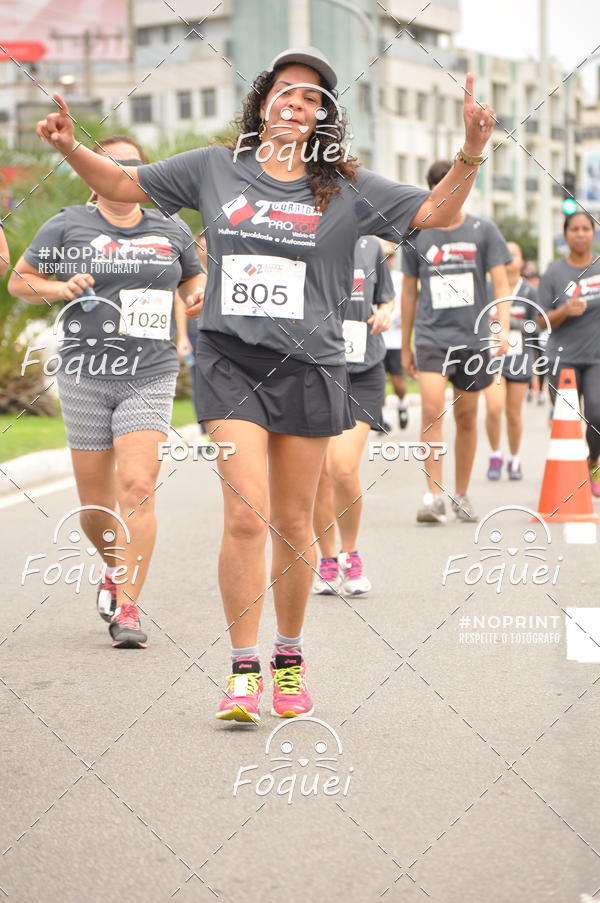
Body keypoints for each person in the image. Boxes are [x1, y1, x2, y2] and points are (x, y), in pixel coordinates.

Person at [36, 47, 496, 721]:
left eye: (312, 97)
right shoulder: (214, 167)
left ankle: (288, 655)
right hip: (229, 362)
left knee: (291, 520)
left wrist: (472, 150)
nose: (298, 103)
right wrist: (73, 145)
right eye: (287, 91)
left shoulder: (343, 186)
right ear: (263, 101)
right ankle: (242, 667)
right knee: (247, 514)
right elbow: (125, 183)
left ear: (322, 116)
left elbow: (438, 214)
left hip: (310, 367)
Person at [9, 135, 204, 648]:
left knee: (137, 487)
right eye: (112, 164)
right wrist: (58, 287)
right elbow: (20, 281)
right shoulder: (69, 225)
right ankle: (115, 567)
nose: (124, 173)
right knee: (95, 508)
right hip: (85, 375)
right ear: (92, 173)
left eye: (133, 166)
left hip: (151, 372)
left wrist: (197, 296)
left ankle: (129, 604)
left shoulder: (170, 227)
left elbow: (191, 283)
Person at [401, 159, 511, 524]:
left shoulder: (484, 231)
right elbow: (409, 292)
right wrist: (405, 344)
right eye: (440, 188)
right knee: (432, 409)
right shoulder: (417, 233)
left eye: (455, 186)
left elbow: (500, 283)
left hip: (473, 338)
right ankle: (432, 496)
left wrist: (504, 328)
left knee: (466, 417)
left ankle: (460, 493)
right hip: (433, 336)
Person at [313, 235, 395, 596]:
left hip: (363, 369)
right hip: (315, 368)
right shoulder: (307, 236)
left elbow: (386, 297)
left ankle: (351, 553)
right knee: (319, 474)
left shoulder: (369, 246)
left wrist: (386, 312)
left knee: (342, 467)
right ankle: (327, 558)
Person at [538, 210, 600, 496]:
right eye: (574, 229)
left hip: (596, 358)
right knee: (569, 419)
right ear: (565, 235)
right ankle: (569, 475)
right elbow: (539, 320)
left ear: (593, 233)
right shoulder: (553, 272)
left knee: (597, 416)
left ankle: (592, 465)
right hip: (562, 358)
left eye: (585, 229)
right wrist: (563, 311)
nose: (580, 234)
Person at [484, 241, 539, 480]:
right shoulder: (487, 288)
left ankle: (514, 459)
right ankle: (495, 454)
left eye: (513, 254)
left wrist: (508, 322)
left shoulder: (529, 291)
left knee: (513, 414)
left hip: (519, 357)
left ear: (522, 261)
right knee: (494, 409)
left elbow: (535, 325)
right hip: (492, 358)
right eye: (503, 254)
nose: (508, 259)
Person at [380, 239, 409, 430]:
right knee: (378, 380)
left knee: (397, 382)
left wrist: (400, 319)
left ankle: (402, 404)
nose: (387, 261)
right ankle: (381, 418)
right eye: (383, 257)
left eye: (390, 257)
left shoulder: (399, 278)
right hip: (378, 338)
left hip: (396, 340)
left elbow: (408, 304)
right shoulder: (372, 276)